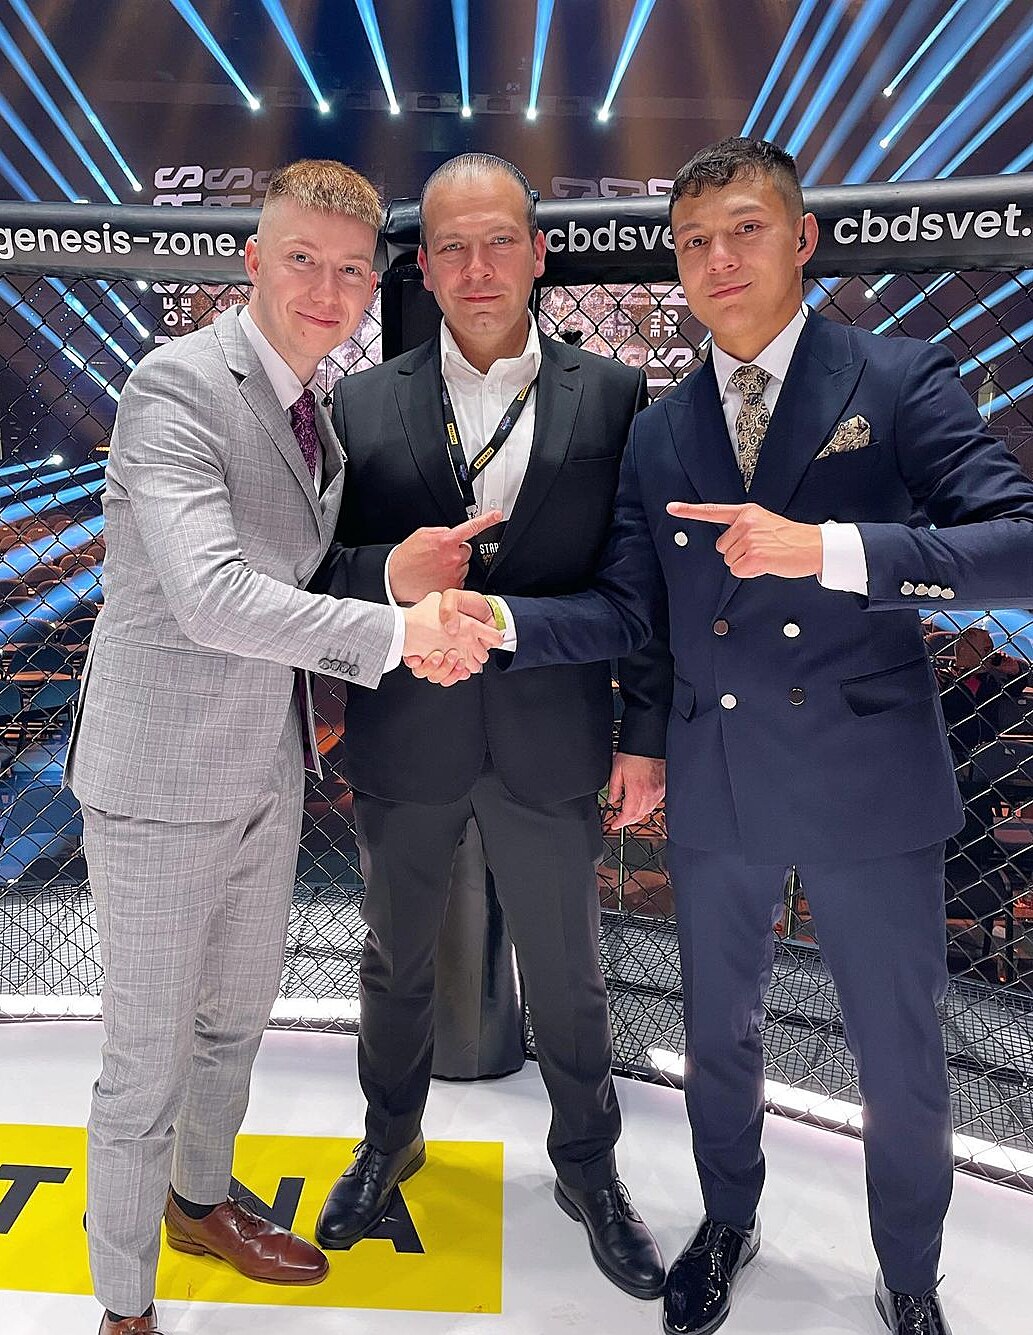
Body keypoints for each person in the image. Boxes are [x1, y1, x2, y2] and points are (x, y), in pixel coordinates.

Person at [429, 137, 1033, 1335]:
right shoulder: (660, 432)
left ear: (800, 240)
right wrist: (510, 632)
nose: (717, 260)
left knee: (898, 1049)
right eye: (694, 241)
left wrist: (834, 551)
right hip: (718, 772)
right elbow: (634, 613)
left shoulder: (897, 377)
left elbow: (1016, 545)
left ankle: (910, 1276)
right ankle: (726, 1220)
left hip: (867, 773)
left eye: (745, 230)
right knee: (719, 1032)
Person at [64, 158, 498, 1335]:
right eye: (302, 260)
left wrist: (391, 577)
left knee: (233, 1022)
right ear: (253, 262)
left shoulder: (310, 403)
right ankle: (123, 1308)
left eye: (352, 270)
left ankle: (199, 1201)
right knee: (145, 1062)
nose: (328, 289)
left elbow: (291, 571)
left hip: (262, 756)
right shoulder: (176, 386)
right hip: (158, 774)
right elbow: (211, 594)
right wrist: (398, 633)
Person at [310, 153, 672, 1300]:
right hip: (406, 735)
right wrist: (393, 577)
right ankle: (388, 1140)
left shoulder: (611, 394)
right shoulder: (358, 402)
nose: (476, 267)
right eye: (453, 247)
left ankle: (588, 1168)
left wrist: (643, 732)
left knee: (569, 975)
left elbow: (637, 590)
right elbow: (318, 571)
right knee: (391, 963)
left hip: (549, 734)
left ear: (538, 252)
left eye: (498, 241)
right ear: (423, 265)